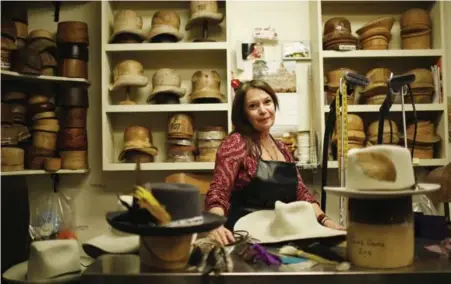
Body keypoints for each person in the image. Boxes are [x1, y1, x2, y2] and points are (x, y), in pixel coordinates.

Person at [204, 79, 344, 245]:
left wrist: (325, 221)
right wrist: (216, 224)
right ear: (243, 114)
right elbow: (219, 192)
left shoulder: (283, 149)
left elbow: (302, 193)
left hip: (280, 233)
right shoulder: (235, 144)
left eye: (267, 102)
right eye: (253, 106)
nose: (263, 110)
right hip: (246, 236)